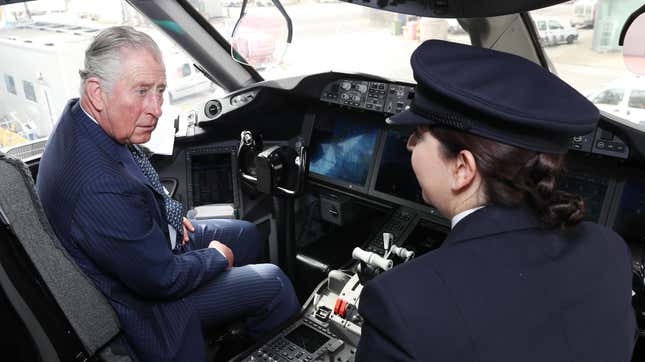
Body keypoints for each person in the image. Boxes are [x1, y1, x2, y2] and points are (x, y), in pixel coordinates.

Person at [356, 40, 637, 362]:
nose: (408, 145)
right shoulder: (609, 250)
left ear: (462, 168)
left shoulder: (400, 304)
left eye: (418, 134)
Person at [36, 26, 299, 362]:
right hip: (148, 309)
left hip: (142, 250)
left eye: (160, 91)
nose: (157, 108)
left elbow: (134, 184)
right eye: (142, 91)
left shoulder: (81, 117)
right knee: (274, 283)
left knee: (245, 233)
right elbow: (161, 280)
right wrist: (216, 257)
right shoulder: (99, 185)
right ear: (97, 92)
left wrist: (169, 212)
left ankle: (239, 330)